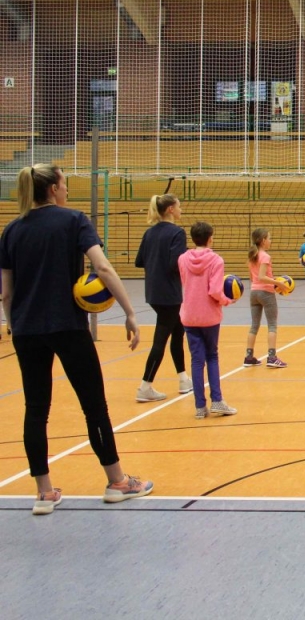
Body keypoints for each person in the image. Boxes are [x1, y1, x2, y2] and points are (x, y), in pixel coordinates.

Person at [0, 164, 153, 514]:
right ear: (54, 189)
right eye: (65, 184)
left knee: (36, 410)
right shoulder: (74, 221)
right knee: (94, 406)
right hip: (67, 326)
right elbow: (102, 268)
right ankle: (117, 482)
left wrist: (14, 325)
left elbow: (6, 293)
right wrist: (130, 312)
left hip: (26, 330)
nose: (67, 189)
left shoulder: (11, 231)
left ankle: (44, 493)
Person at [133, 193, 191, 401]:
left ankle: (184, 379)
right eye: (179, 206)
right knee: (161, 339)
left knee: (178, 332)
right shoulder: (177, 233)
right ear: (170, 210)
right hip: (169, 293)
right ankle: (145, 386)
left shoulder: (150, 233)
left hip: (153, 291)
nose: (181, 210)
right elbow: (174, 263)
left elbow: (139, 261)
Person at [180, 222, 237, 419]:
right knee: (212, 356)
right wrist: (227, 300)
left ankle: (199, 407)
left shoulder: (182, 258)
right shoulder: (216, 260)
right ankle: (218, 401)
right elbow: (214, 290)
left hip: (189, 315)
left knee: (197, 360)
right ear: (210, 238)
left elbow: (185, 283)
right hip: (209, 316)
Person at [245, 228, 286, 368]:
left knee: (254, 325)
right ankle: (272, 357)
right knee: (272, 325)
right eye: (269, 238)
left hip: (254, 293)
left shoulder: (252, 256)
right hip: (266, 293)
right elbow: (262, 277)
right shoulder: (265, 256)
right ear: (263, 240)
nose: (270, 241)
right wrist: (278, 283)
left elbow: (253, 278)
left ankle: (248, 356)